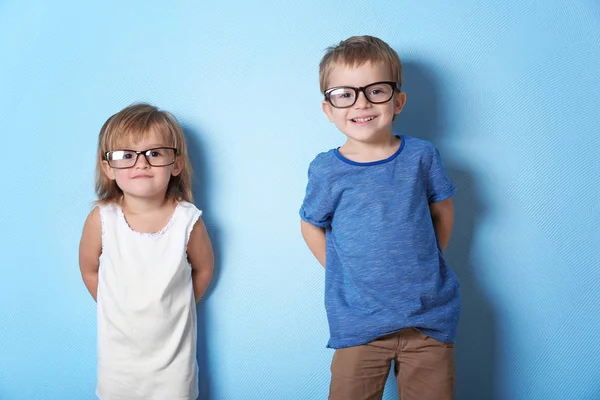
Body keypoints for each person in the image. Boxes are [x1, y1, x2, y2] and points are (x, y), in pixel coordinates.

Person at [299, 36, 460, 400]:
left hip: (427, 321)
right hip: (359, 323)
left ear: (398, 101)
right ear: (328, 108)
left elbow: (443, 211)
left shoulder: (421, 156)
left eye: (376, 91)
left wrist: (429, 263)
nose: (361, 103)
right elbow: (310, 223)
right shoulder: (326, 170)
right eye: (345, 94)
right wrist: (341, 269)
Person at [79, 103, 214, 400]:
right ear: (108, 167)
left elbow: (204, 269)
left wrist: (178, 305)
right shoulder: (103, 220)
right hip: (119, 361)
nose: (141, 164)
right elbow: (89, 269)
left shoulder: (187, 220)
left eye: (154, 153)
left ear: (176, 164)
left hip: (173, 362)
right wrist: (112, 305)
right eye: (126, 155)